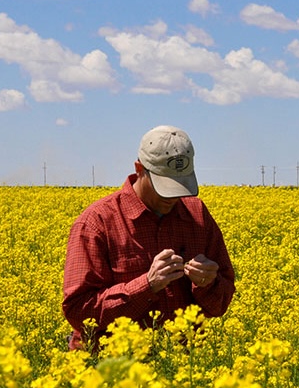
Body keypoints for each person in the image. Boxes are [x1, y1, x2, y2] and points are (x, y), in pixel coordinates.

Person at [62, 125, 236, 351]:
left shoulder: (197, 215)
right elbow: (78, 311)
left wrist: (208, 283)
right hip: (110, 373)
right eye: (165, 186)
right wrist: (147, 285)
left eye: (180, 185)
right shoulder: (97, 223)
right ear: (139, 169)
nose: (173, 197)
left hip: (182, 370)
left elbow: (220, 304)